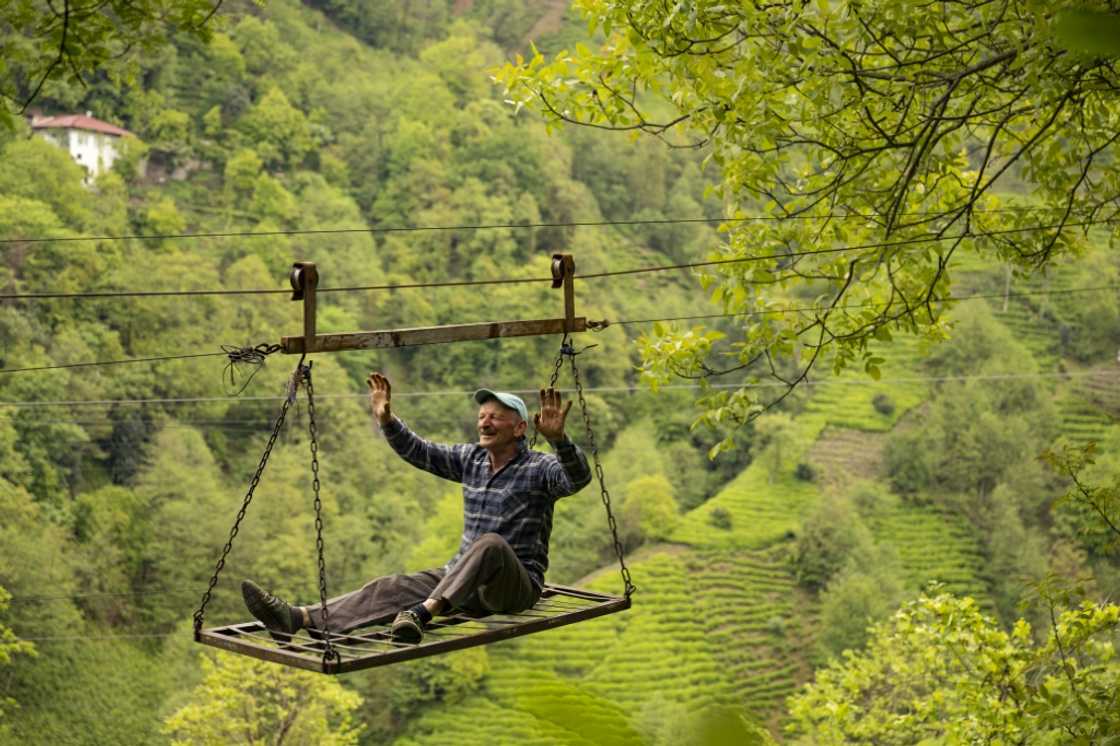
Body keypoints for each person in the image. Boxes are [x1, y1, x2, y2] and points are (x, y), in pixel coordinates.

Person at [241, 371, 592, 644]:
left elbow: (577, 479)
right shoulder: (470, 459)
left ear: (519, 428)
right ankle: (299, 618)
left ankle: (422, 614)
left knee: (491, 545)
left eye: (496, 417)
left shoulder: (539, 468)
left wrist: (560, 440)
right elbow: (421, 452)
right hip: (463, 581)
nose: (485, 422)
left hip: (514, 588)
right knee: (390, 586)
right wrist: (387, 421)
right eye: (482, 415)